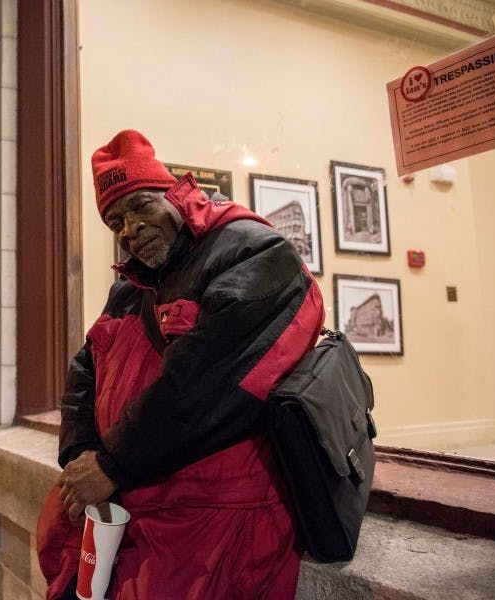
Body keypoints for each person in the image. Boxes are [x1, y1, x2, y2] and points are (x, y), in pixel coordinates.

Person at [36, 130, 325, 599]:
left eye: (140, 207)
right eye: (115, 222)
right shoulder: (131, 288)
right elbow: (84, 370)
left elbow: (208, 382)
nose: (129, 230)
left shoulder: (254, 253)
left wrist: (110, 463)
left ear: (173, 193)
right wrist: (80, 459)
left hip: (211, 528)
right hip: (130, 509)